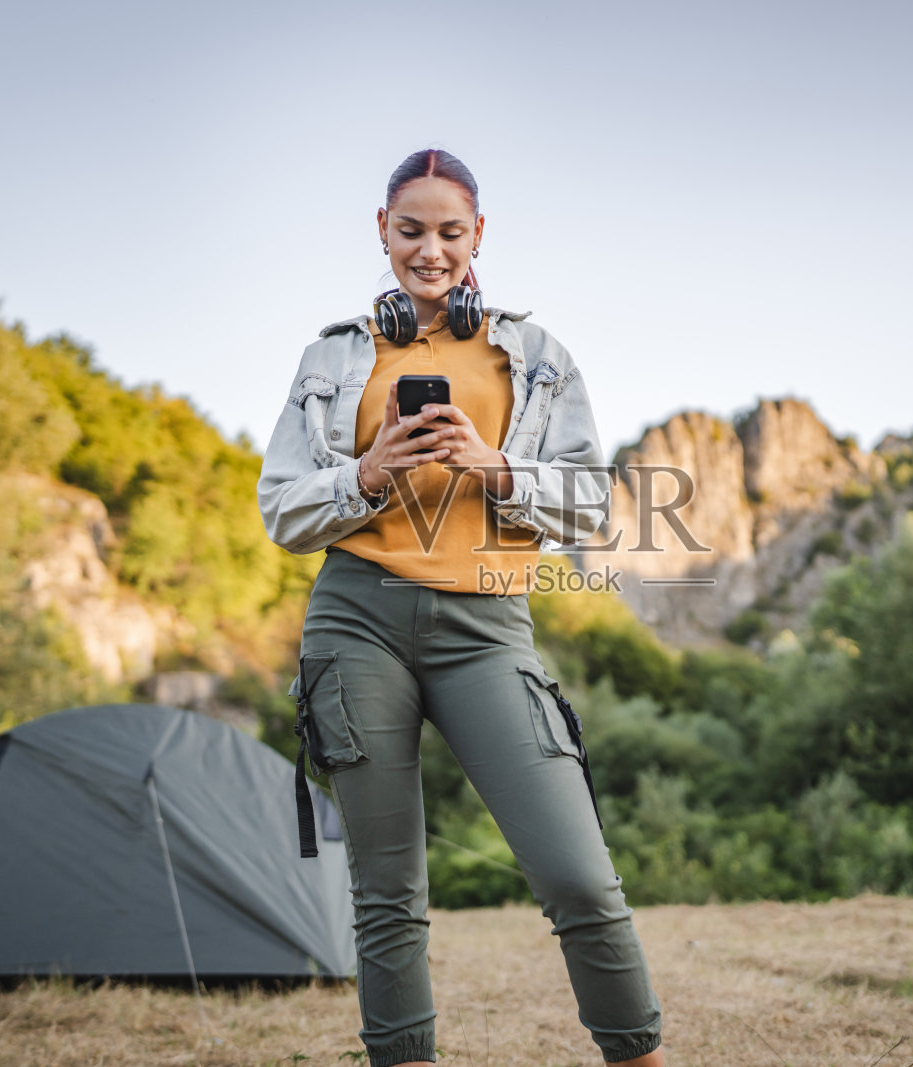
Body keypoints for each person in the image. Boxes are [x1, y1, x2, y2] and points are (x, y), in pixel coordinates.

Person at [256, 149, 665, 1067]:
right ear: (382, 232)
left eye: (450, 232)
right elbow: (281, 507)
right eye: (411, 231)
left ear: (479, 235)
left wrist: (497, 465)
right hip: (355, 619)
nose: (430, 251)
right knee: (387, 893)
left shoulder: (536, 354)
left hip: (488, 627)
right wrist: (365, 473)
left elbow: (595, 503)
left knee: (580, 876)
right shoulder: (333, 355)